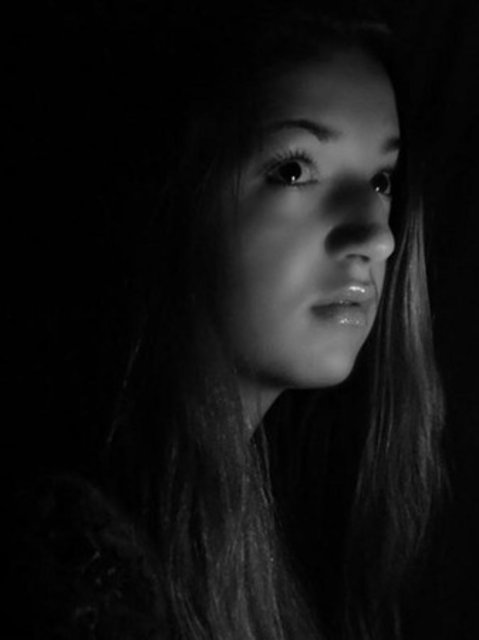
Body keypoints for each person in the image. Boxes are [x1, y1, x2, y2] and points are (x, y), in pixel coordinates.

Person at [9, 3, 445, 640]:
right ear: (167, 191)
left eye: (381, 180)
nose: (377, 238)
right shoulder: (66, 556)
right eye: (293, 170)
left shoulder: (307, 537)